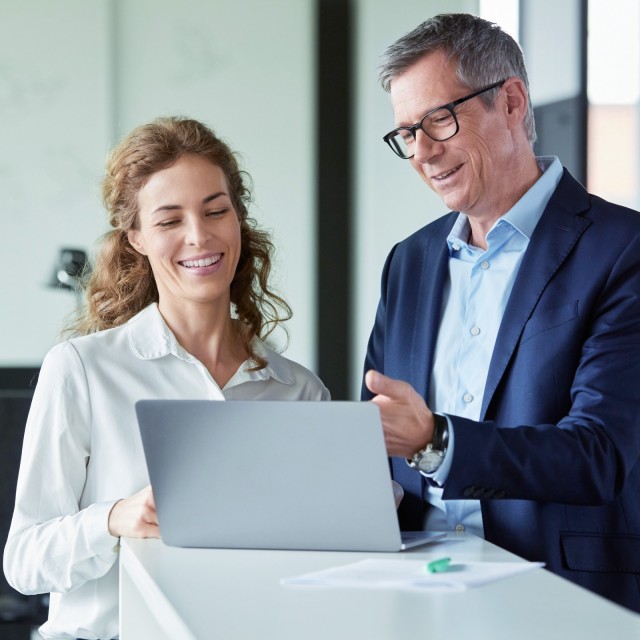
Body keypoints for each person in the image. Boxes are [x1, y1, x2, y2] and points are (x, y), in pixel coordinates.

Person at [3, 116, 329, 639]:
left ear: (238, 220)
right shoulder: (82, 370)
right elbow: (24, 563)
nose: (199, 236)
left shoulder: (298, 391)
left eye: (216, 211)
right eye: (169, 220)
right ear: (135, 237)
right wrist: (113, 519)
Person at [362, 13, 640, 613]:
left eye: (440, 119)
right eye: (406, 133)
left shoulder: (623, 250)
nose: (422, 152)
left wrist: (436, 442)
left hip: (569, 597)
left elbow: (598, 456)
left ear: (511, 101)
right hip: (423, 595)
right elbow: (376, 439)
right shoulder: (407, 262)